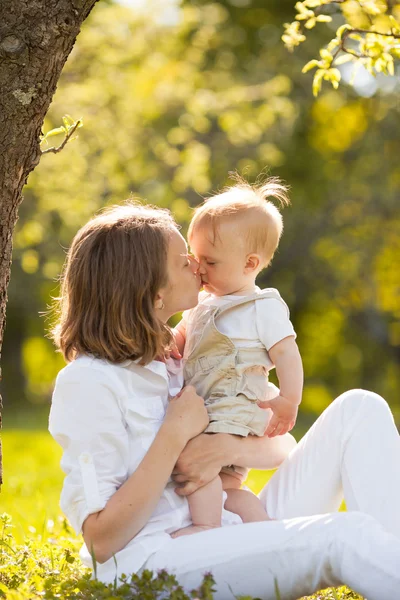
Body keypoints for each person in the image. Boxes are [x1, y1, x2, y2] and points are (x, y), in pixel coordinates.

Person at [49, 202, 400, 600]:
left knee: (360, 408)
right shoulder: (89, 382)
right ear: (152, 288)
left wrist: (222, 448)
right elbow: (101, 540)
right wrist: (175, 433)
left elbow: (282, 445)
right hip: (160, 556)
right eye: (184, 261)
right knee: (342, 535)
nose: (197, 267)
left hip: (230, 524)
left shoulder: (186, 355)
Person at [172, 178, 303, 537]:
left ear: (249, 263)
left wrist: (289, 399)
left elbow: (286, 352)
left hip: (232, 410)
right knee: (229, 489)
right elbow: (183, 337)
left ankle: (205, 527)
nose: (199, 269)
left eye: (209, 262)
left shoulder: (263, 307)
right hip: (207, 407)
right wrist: (169, 342)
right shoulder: (202, 303)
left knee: (204, 476)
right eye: (195, 259)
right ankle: (264, 535)